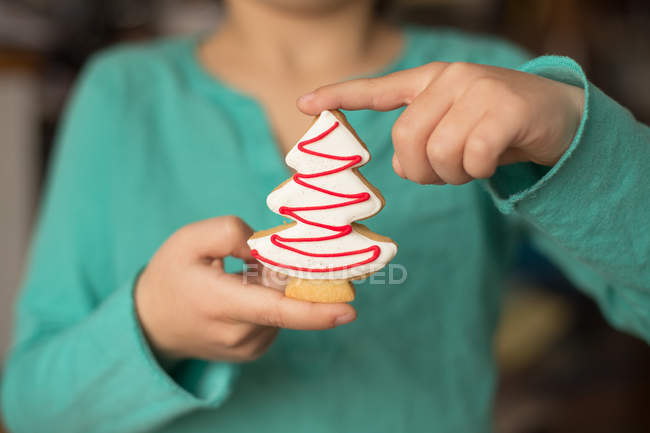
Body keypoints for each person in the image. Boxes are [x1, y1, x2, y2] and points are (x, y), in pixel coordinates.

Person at [2, 0, 649, 432]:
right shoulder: (121, 93)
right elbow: (30, 407)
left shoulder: (496, 81)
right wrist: (153, 328)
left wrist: (576, 136)